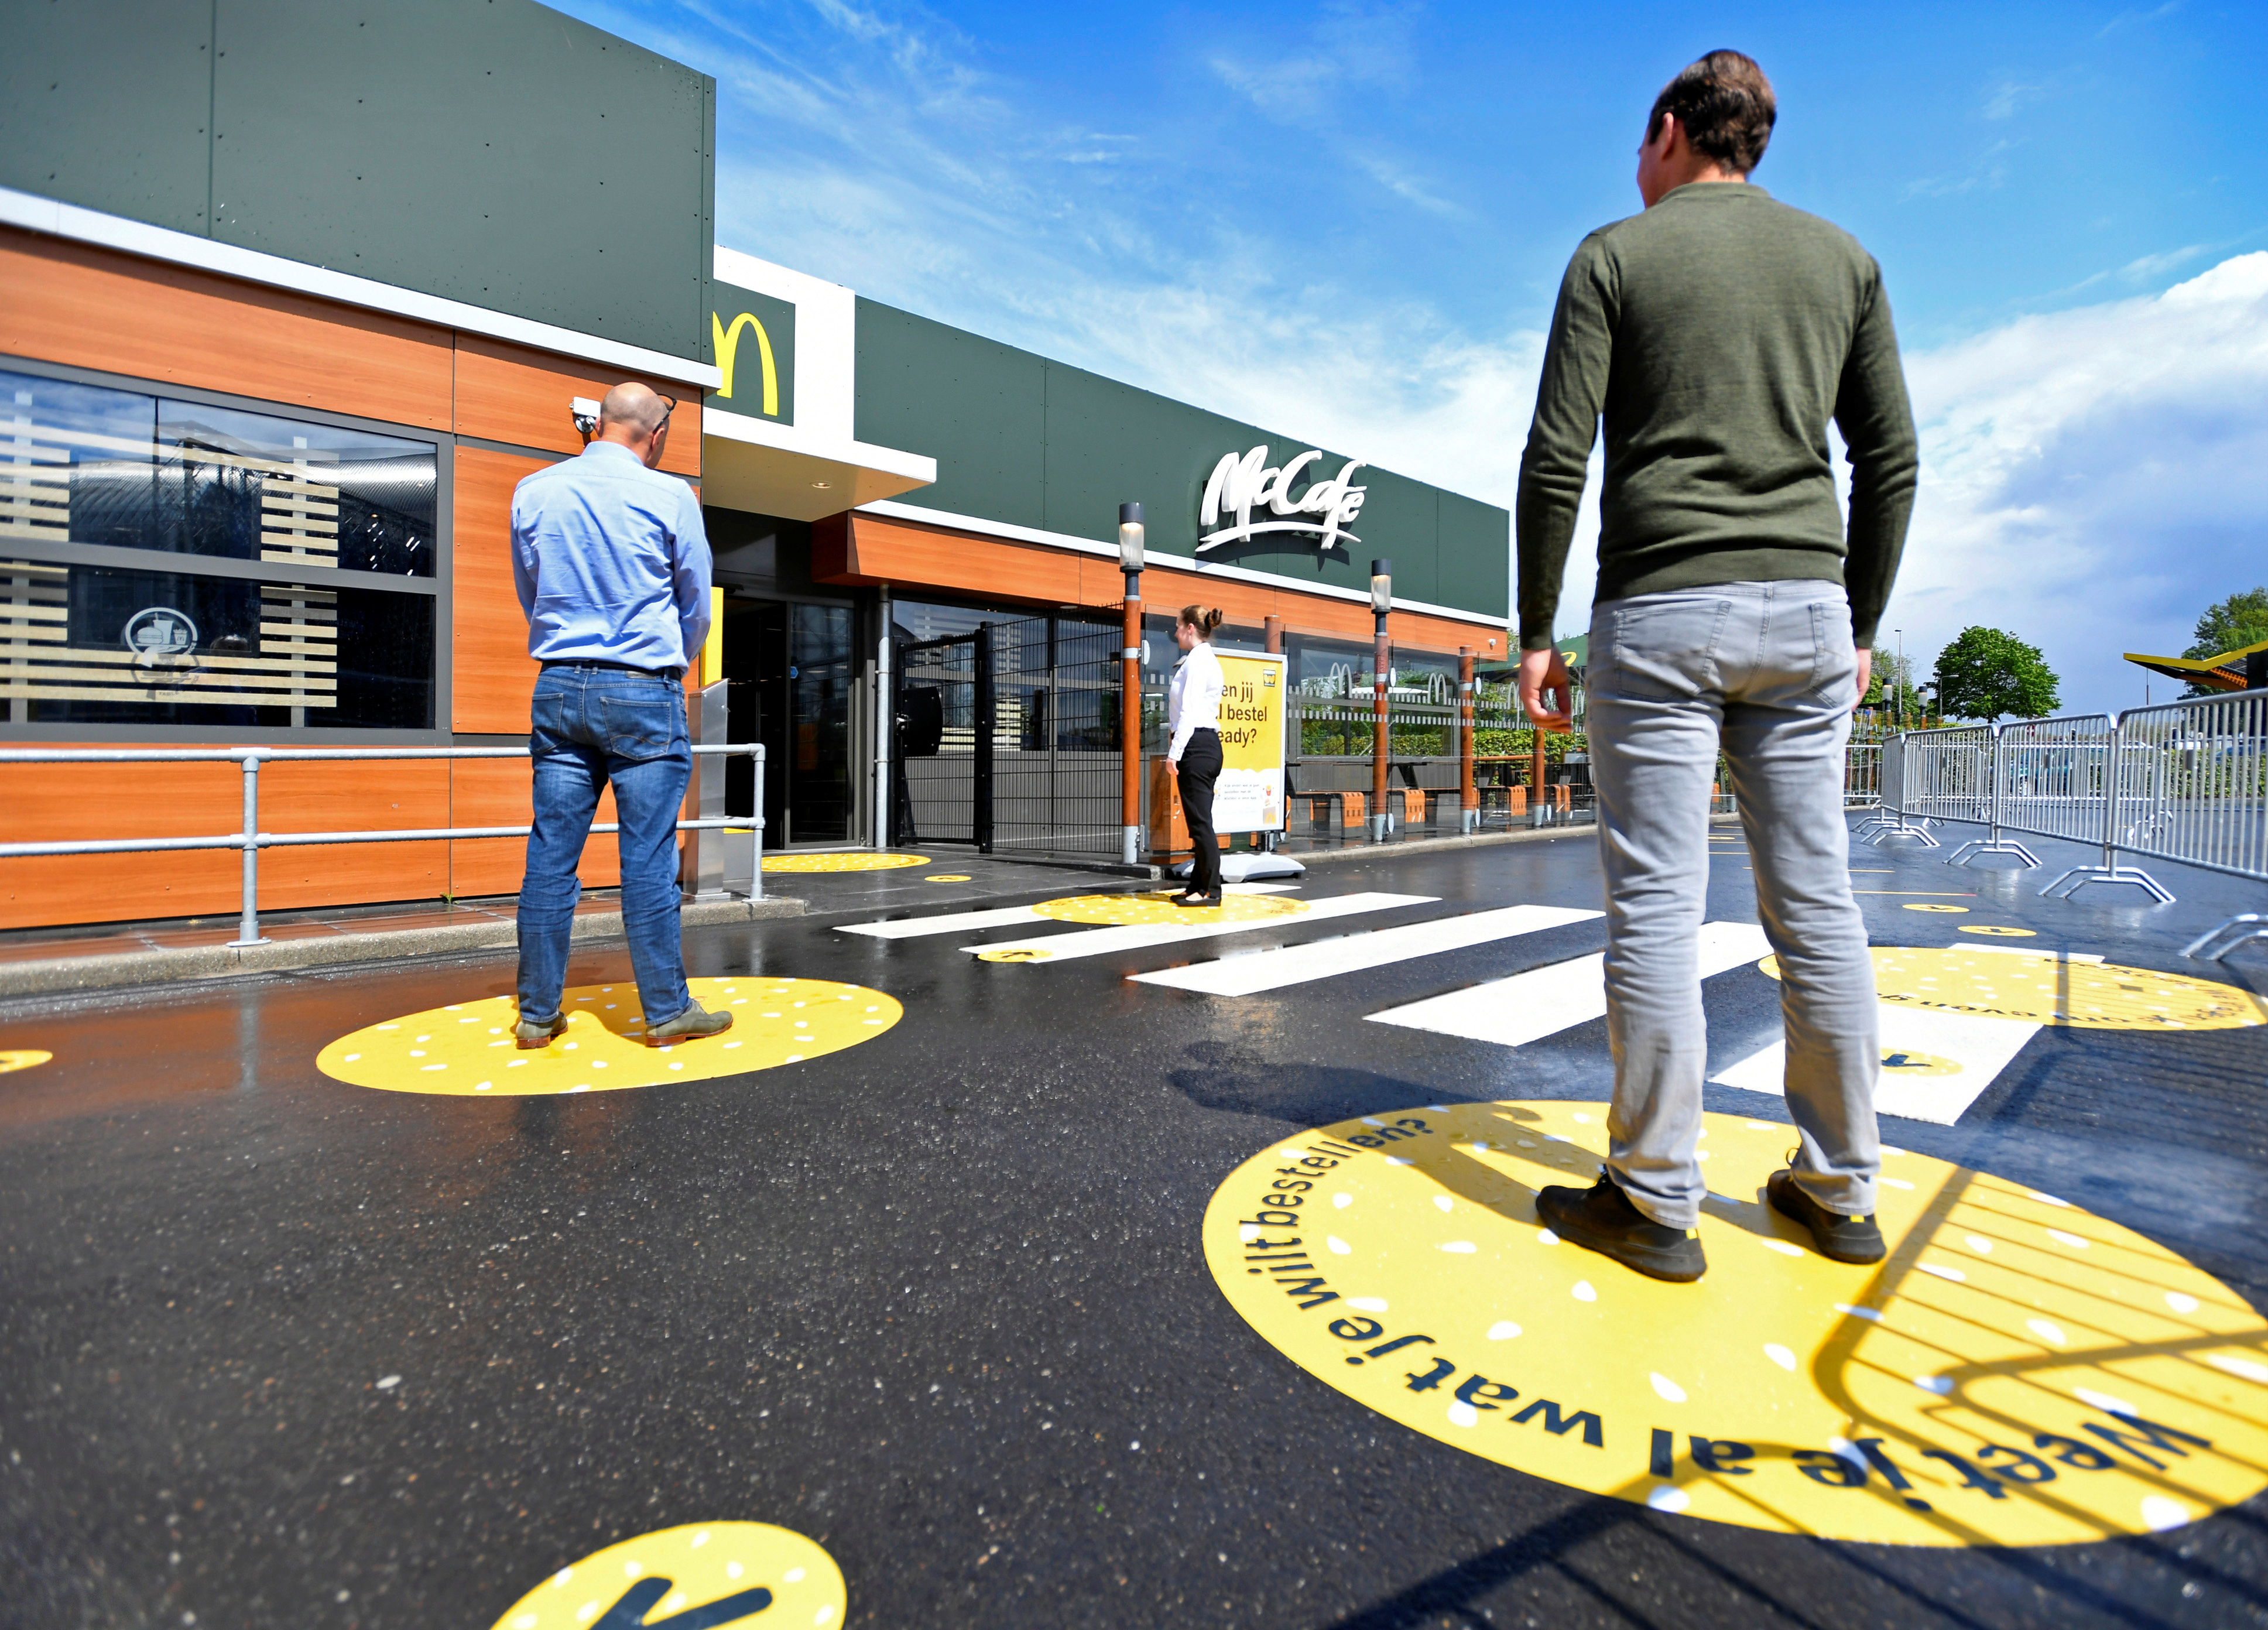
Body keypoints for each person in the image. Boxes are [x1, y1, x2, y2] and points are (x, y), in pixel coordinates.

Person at [1515, 52, 1919, 1282]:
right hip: (1805, 614)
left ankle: (1651, 1197)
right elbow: (1888, 459)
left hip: (1658, 611)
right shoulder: (1841, 260)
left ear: (1666, 131)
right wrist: (1855, 622)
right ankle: (1839, 1190)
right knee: (1814, 903)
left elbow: (1553, 458)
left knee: (1653, 902)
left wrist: (1535, 628)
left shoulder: (1612, 257)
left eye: (1634, 145)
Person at [508, 382, 733, 1049]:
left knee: (551, 855)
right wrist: (670, 664)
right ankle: (665, 1012)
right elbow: (696, 603)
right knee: (648, 857)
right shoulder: (669, 497)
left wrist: (568, 649)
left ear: (599, 423)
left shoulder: (535, 490)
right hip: (642, 688)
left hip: (558, 686)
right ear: (656, 436)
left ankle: (536, 1015)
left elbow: (532, 588)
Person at [1167, 605, 1227, 907]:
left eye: (1178, 627)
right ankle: (1197, 886)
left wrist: (1173, 754)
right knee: (1198, 822)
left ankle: (1211, 891)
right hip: (1202, 744)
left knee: (1201, 823)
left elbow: (1189, 712)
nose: (1175, 632)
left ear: (1191, 628)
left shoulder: (1198, 661)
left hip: (1196, 745)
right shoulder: (1200, 659)